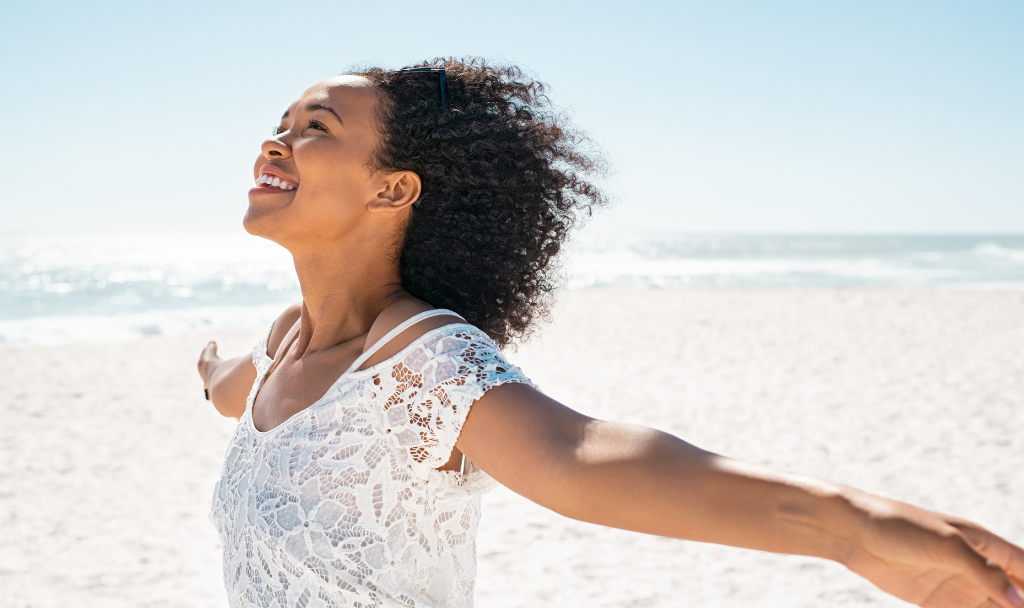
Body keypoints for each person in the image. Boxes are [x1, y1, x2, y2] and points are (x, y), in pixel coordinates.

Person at [197, 58, 1023, 608]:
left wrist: (847, 524)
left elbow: (584, 456)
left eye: (318, 126)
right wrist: (212, 371)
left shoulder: (422, 364)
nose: (278, 138)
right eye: (282, 121)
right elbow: (243, 392)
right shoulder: (285, 347)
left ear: (394, 190)